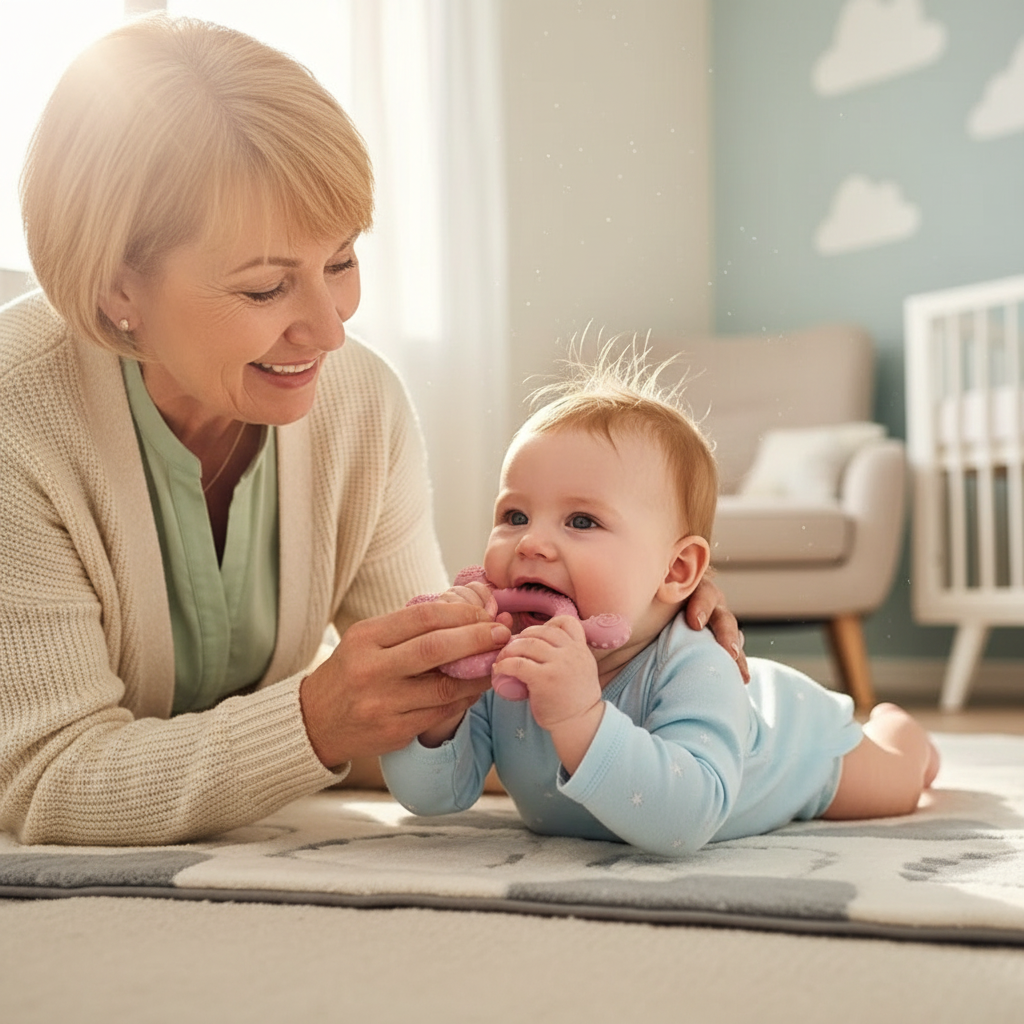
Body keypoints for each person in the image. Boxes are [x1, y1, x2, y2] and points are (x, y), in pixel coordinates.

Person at [0, 15, 744, 847]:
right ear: (117, 291)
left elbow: (431, 707)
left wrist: (647, 638)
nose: (329, 330)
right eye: (264, 289)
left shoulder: (360, 405)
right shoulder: (16, 418)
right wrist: (313, 721)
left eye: (342, 262)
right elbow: (45, 781)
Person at [380, 347, 940, 858]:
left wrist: (580, 717)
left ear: (675, 571)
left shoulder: (696, 665)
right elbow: (431, 798)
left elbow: (686, 820)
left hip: (796, 742)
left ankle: (902, 736)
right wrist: (443, 709)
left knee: (895, 787)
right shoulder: (505, 661)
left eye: (581, 520)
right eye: (514, 516)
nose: (530, 542)